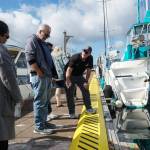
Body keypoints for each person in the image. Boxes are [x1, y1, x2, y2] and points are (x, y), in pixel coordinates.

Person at [25, 24, 61, 135]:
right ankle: (39, 127)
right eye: (46, 34)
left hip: (46, 76)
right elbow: (30, 58)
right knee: (40, 102)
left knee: (45, 102)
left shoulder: (43, 43)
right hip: (39, 76)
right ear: (40, 31)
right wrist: (39, 72)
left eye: (48, 35)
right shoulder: (32, 40)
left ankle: (44, 123)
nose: (47, 36)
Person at [0, 20, 22, 150]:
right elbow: (8, 77)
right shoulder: (2, 50)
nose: (7, 40)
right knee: (2, 134)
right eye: (6, 36)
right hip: (2, 100)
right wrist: (18, 98)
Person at [65, 46, 96, 119]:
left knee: (86, 89)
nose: (84, 53)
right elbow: (69, 70)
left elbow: (89, 70)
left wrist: (86, 81)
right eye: (83, 51)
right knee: (70, 94)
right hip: (70, 75)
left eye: (86, 52)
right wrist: (67, 79)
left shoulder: (90, 58)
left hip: (79, 75)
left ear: (89, 53)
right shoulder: (75, 57)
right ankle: (71, 113)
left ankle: (88, 108)